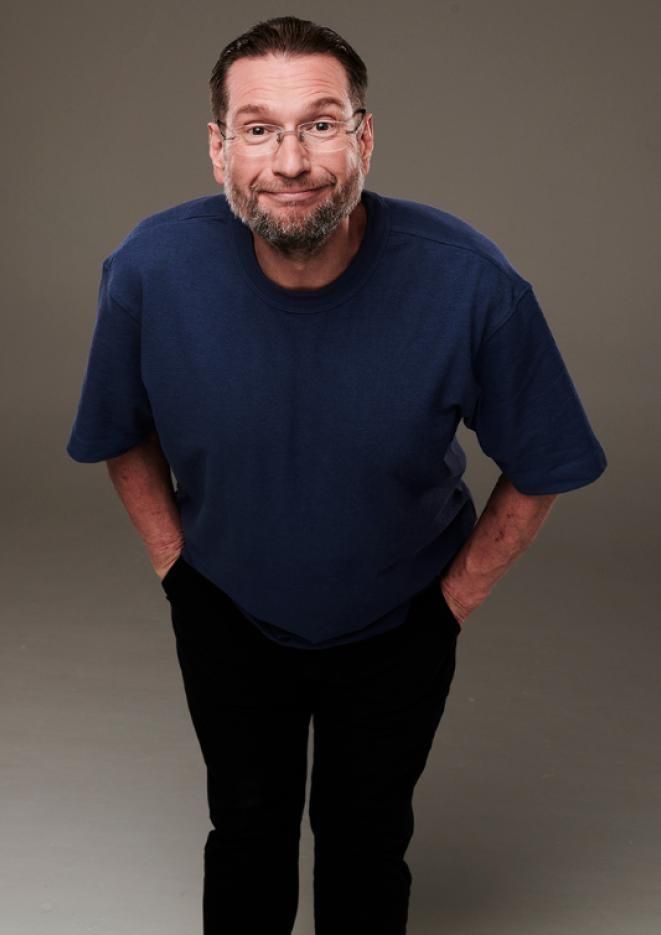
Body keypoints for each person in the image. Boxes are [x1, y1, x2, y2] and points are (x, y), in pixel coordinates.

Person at [66, 15, 607, 935]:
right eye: (259, 129)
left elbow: (544, 460)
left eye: (319, 124)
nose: (290, 162)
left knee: (365, 844)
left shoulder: (470, 282)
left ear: (363, 137)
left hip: (401, 620)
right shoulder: (149, 270)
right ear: (219, 148)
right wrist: (176, 569)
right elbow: (119, 430)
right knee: (245, 834)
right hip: (225, 608)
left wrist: (450, 604)